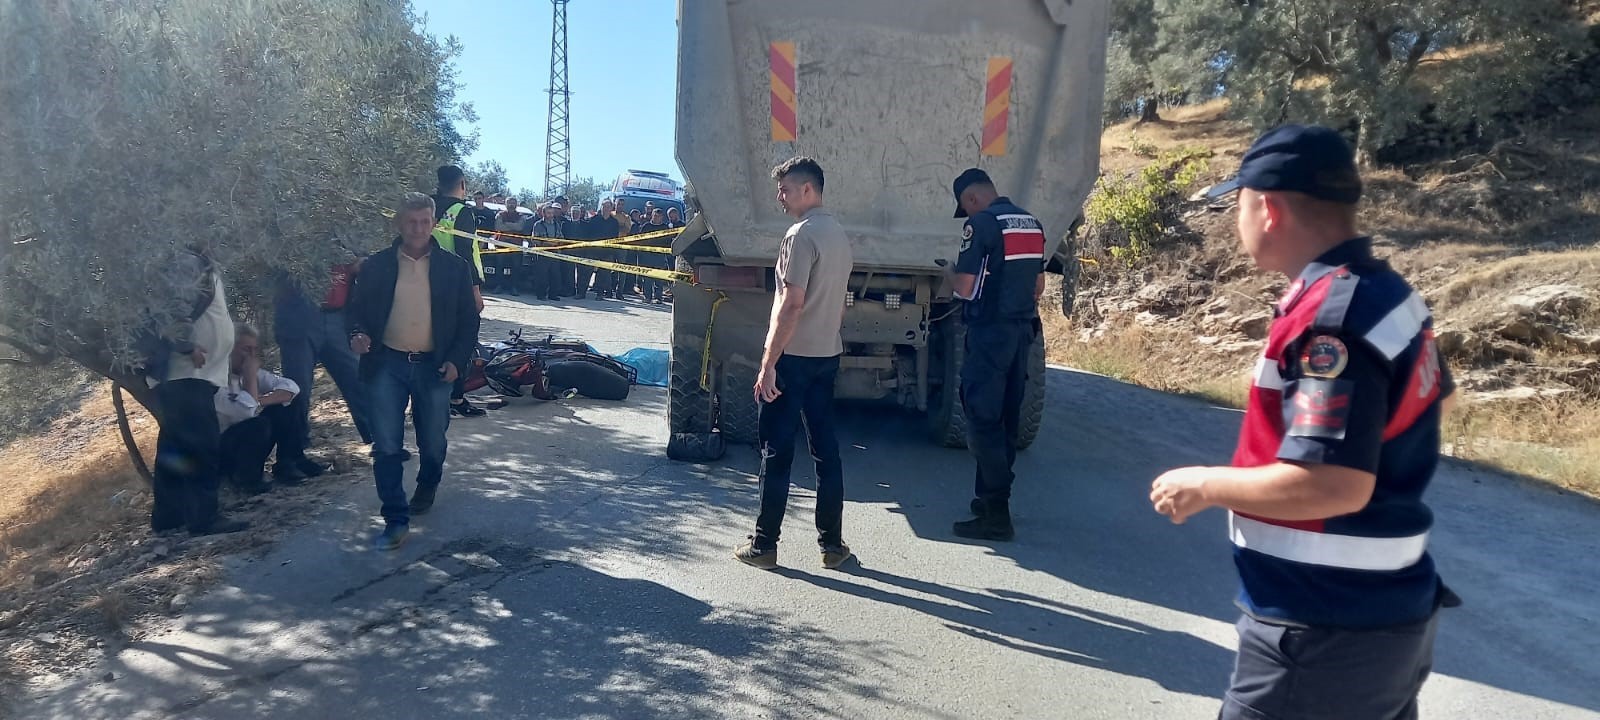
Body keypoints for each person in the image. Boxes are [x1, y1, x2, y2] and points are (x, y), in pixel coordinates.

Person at [1148, 125, 1459, 720]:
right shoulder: (1389, 293)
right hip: (1383, 620)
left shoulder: (1331, 316)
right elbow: (1433, 398)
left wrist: (1205, 484)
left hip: (1322, 630)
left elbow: (1333, 484)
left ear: (1267, 208)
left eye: (1236, 204)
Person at [734, 156, 854, 571]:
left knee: (776, 452)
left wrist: (769, 363)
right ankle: (833, 545)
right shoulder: (839, 234)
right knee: (826, 452)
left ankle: (764, 545)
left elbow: (791, 304)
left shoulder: (800, 236)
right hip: (827, 355)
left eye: (785, 189)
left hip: (794, 360)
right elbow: (839, 305)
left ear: (808, 189)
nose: (779, 197)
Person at [346, 192, 481, 551]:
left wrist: (457, 360)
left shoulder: (454, 268)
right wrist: (357, 333)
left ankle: (428, 481)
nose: (418, 229)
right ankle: (395, 518)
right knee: (387, 444)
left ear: (434, 223)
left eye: (425, 221)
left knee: (433, 440)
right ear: (399, 223)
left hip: (434, 367)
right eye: (411, 222)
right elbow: (355, 310)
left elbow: (469, 320)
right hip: (385, 364)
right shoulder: (377, 265)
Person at [946, 168, 1046, 542]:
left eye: (965, 208)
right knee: (1005, 417)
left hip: (989, 335)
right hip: (1022, 333)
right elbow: (1039, 284)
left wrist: (950, 276)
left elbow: (968, 289)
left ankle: (997, 514)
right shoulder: (1031, 223)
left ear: (971, 199)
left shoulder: (982, 225)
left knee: (982, 418)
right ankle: (986, 499)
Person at [147, 247, 249, 536]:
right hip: (186, 372)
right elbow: (170, 307)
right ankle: (204, 518)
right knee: (202, 444)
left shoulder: (195, 261)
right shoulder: (185, 260)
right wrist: (187, 345)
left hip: (190, 375)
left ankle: (168, 517)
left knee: (174, 447)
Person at [274, 258, 373, 460]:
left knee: (357, 378)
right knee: (297, 387)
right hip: (299, 317)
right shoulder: (291, 230)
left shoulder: (346, 232)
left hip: (338, 316)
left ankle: (381, 441)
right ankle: (292, 457)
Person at [216, 322, 302, 495]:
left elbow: (291, 388)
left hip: (248, 443)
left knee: (288, 405)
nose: (251, 356)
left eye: (254, 350)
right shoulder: (216, 380)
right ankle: (246, 480)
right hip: (222, 448)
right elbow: (246, 411)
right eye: (246, 350)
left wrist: (261, 400)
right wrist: (250, 378)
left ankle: (287, 464)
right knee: (257, 424)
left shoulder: (248, 373)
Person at [430, 165, 487, 418]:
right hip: (456, 284)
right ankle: (455, 398)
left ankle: (430, 394)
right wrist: (475, 291)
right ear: (462, 184)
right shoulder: (461, 212)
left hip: (425, 279)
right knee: (462, 340)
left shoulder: (428, 206)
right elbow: (465, 252)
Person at [530, 200, 568, 301]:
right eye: (548, 213)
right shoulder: (538, 225)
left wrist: (559, 243)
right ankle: (541, 294)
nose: (551, 215)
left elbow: (561, 237)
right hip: (543, 253)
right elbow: (534, 239)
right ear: (544, 213)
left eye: (552, 213)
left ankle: (553, 294)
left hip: (555, 254)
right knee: (542, 276)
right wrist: (546, 244)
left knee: (555, 276)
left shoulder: (556, 225)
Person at [585, 199, 623, 299]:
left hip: (607, 251)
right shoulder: (593, 220)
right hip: (593, 250)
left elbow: (614, 238)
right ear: (601, 207)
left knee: (604, 274)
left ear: (611, 208)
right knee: (587, 271)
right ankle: (581, 292)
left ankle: (600, 294)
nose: (605, 209)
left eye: (608, 207)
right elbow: (588, 235)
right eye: (604, 206)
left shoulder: (614, 222)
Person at [636, 208, 672, 304]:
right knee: (647, 278)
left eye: (659, 216)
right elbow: (641, 239)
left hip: (659, 256)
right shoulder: (646, 226)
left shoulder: (665, 228)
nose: (657, 218)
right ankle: (647, 296)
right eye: (655, 216)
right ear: (652, 215)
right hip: (647, 255)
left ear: (662, 217)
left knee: (658, 279)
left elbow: (669, 241)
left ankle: (658, 297)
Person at [495, 198, 526, 297]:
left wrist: (506, 224)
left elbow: (520, 227)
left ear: (516, 204)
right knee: (499, 265)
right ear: (506, 204)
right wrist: (513, 226)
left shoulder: (521, 216)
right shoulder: (500, 215)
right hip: (501, 244)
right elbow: (498, 227)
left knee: (516, 267)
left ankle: (514, 287)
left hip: (515, 245)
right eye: (509, 203)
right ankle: (499, 286)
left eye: (513, 203)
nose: (511, 205)